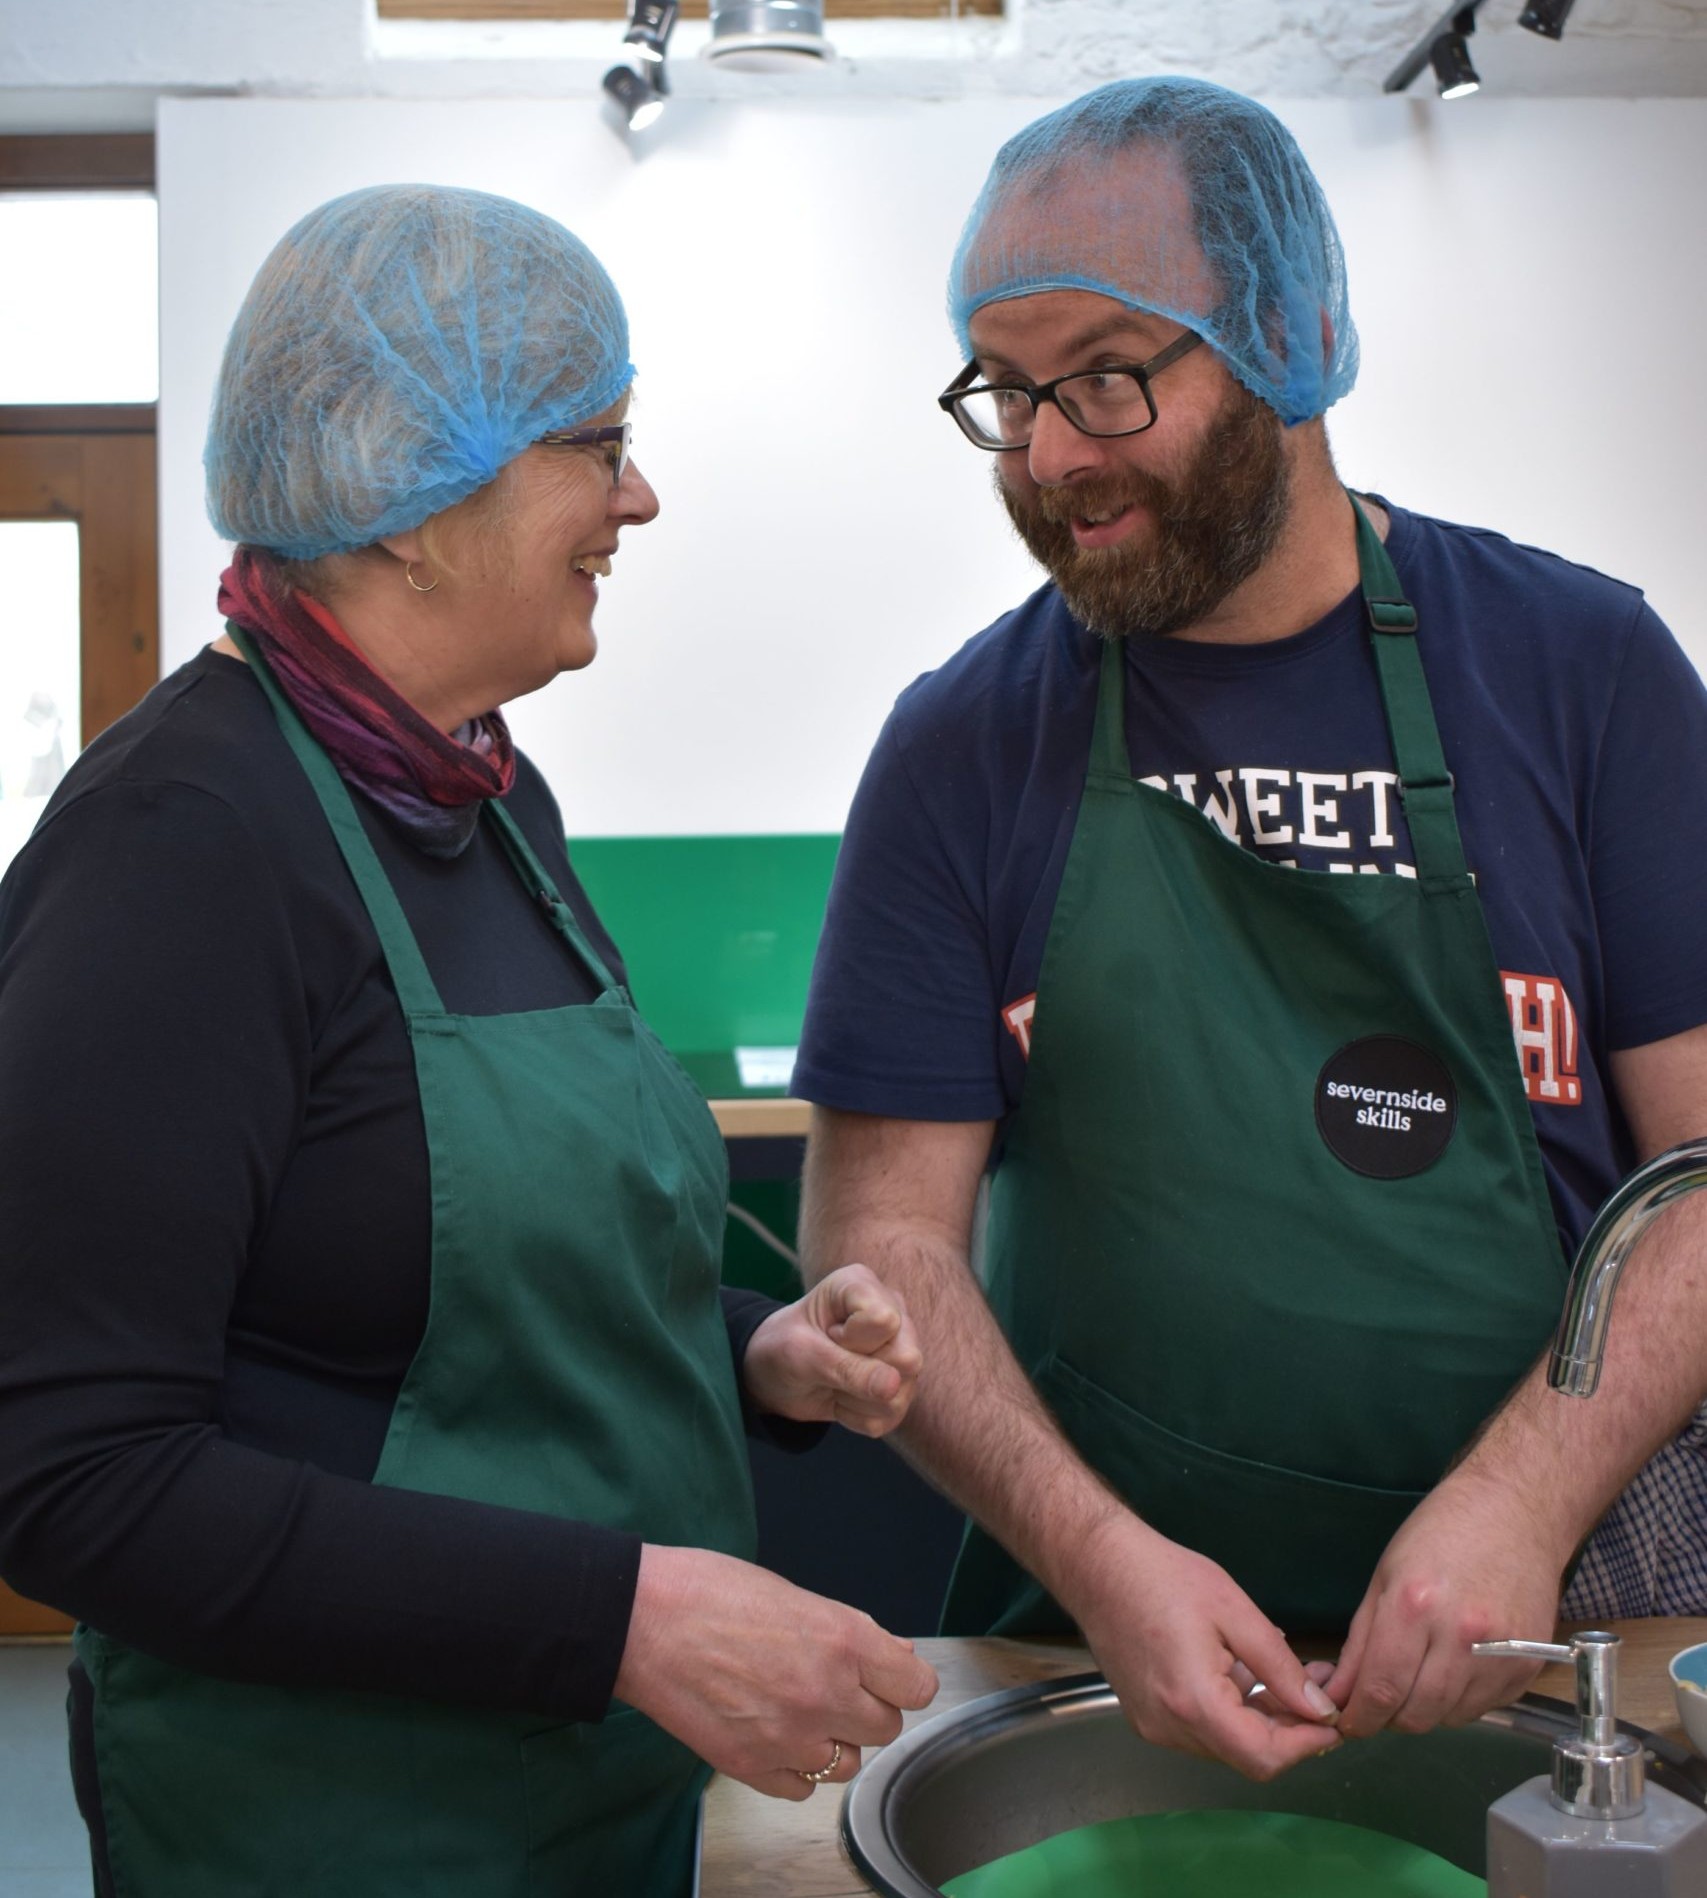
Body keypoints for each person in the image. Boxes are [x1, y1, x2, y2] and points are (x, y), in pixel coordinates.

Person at [0, 183, 937, 1898]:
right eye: (598, 446)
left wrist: (754, 1349)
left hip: (585, 1806)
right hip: (329, 1828)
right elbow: (74, 1475)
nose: (638, 497)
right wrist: (623, 1617)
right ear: (411, 498)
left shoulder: (491, 802)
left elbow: (414, 1300)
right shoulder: (181, 847)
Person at [792, 76, 1707, 1784]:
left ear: (1287, 339)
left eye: (1111, 379)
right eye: (1008, 394)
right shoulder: (965, 742)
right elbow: (879, 1247)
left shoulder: (1587, 677)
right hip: (1088, 1663)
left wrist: (1519, 1496)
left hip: (1556, 1635)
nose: (1055, 454)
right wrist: (1099, 1556)